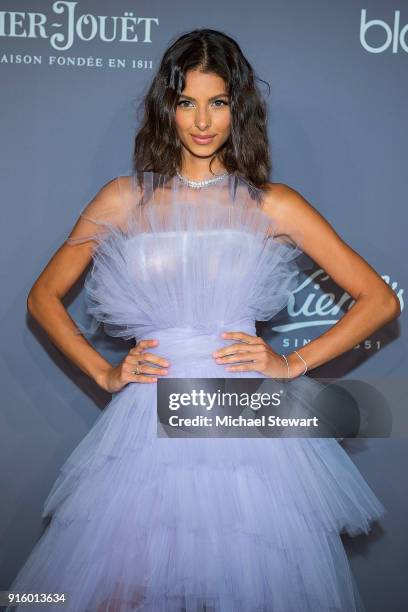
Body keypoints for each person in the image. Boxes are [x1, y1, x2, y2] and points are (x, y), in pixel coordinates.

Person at [7, 28, 400, 612]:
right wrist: (104, 373)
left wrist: (290, 363)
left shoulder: (273, 203)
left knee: (254, 579)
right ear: (167, 107)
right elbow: (43, 296)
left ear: (237, 107)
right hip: (147, 416)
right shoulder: (123, 198)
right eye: (187, 101)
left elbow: (380, 300)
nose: (202, 120)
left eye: (217, 102)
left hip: (242, 416)